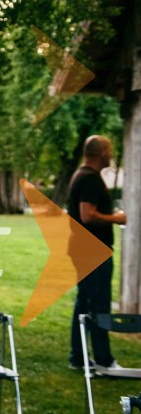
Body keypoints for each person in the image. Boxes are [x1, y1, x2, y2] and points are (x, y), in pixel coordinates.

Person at [67, 135, 127, 371]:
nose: (111, 154)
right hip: (92, 251)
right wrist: (117, 218)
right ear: (100, 151)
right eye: (109, 149)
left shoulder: (83, 175)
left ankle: (78, 358)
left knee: (85, 303)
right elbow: (87, 215)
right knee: (97, 304)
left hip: (85, 249)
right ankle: (104, 360)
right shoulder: (90, 179)